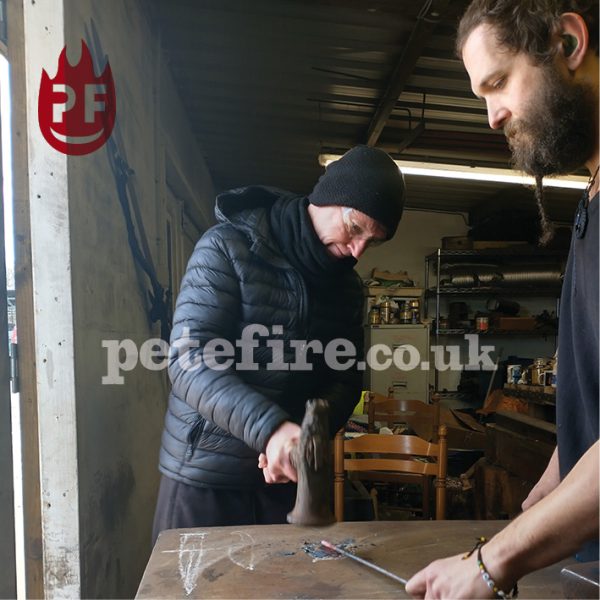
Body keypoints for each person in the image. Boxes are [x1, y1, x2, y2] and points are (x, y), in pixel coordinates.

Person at [406, 1, 599, 597]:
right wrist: (555, 481)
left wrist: (494, 563)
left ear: (567, 42)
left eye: (497, 82)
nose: (491, 118)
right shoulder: (591, 199)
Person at [152, 145, 406, 543]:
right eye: (355, 228)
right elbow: (189, 359)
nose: (358, 250)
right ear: (326, 200)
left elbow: (344, 380)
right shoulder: (228, 247)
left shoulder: (348, 291)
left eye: (371, 242)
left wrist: (303, 439)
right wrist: (270, 431)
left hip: (284, 478)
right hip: (206, 477)